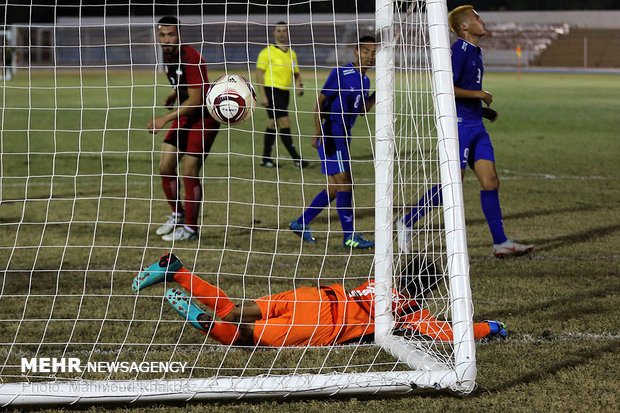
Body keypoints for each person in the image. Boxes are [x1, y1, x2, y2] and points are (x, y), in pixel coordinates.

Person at [132, 253, 507, 346]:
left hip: (313, 294)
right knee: (246, 337)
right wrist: (489, 326)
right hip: (323, 323)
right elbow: (447, 333)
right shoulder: (410, 313)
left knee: (235, 309)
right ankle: (206, 323)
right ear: (426, 291)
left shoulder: (378, 283)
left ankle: (176, 271)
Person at [396, 6, 534, 258]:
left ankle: (500, 242)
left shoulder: (475, 52)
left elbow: (464, 91)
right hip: (458, 126)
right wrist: (480, 94)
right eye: (476, 18)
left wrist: (481, 110)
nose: (482, 20)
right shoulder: (458, 51)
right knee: (453, 184)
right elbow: (446, 87)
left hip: (476, 126)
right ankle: (406, 222)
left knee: (491, 181)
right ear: (464, 27)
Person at [289, 36, 377, 249]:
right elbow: (320, 103)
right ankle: (349, 236)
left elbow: (362, 110)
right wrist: (319, 131)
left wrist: (379, 91)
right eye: (366, 51)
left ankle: (301, 223)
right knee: (346, 183)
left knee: (334, 189)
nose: (370, 56)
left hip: (344, 135)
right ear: (356, 52)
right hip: (332, 134)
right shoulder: (341, 74)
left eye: (374, 52)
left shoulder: (365, 81)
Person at [147, 16, 220, 241]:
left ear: (180, 35)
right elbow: (184, 86)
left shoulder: (191, 57)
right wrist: (174, 95)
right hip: (185, 116)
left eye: (171, 34)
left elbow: (197, 98)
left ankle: (190, 230)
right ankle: (177, 215)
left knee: (189, 171)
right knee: (165, 166)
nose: (167, 39)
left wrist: (165, 118)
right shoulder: (168, 57)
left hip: (204, 118)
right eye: (163, 35)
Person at [255, 21, 308, 169]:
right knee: (285, 122)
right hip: (272, 90)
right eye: (279, 31)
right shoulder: (267, 52)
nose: (281, 33)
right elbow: (259, 74)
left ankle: (265, 159)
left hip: (285, 93)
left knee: (273, 124)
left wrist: (300, 85)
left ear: (287, 33)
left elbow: (296, 73)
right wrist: (263, 95)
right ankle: (297, 159)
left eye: (284, 31)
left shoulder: (292, 54)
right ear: (274, 33)